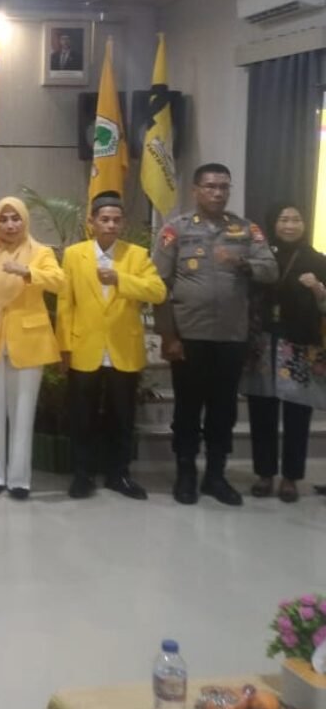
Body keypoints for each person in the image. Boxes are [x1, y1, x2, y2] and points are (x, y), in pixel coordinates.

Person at [153, 162, 278, 506]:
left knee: (223, 410)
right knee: (187, 409)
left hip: (231, 337)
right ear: (195, 190)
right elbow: (158, 286)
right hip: (189, 336)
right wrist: (168, 336)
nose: (218, 193)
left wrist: (241, 263)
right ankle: (186, 473)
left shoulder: (246, 230)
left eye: (224, 187)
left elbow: (271, 270)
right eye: (210, 186)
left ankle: (215, 475)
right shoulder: (175, 230)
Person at [56, 192, 167, 501]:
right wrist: (64, 347)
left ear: (124, 223)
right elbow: (65, 304)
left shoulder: (137, 255)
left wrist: (120, 279)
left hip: (123, 348)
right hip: (84, 347)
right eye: (104, 219)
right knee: (82, 416)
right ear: (91, 222)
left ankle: (119, 474)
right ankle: (83, 475)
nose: (110, 225)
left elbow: (157, 291)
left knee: (122, 417)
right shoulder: (74, 255)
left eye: (116, 220)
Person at [0, 195, 63, 500]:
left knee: (23, 412)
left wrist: (28, 272)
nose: (10, 225)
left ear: (25, 220)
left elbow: (59, 282)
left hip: (29, 341)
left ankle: (20, 480)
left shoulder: (41, 252)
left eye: (15, 218)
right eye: (3, 219)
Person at [240, 203, 326, 503]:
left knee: (297, 414)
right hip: (262, 343)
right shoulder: (262, 258)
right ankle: (264, 474)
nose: (290, 225)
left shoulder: (318, 260)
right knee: (261, 411)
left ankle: (290, 477)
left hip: (300, 346)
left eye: (296, 219)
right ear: (273, 224)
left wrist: (318, 290)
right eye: (284, 219)